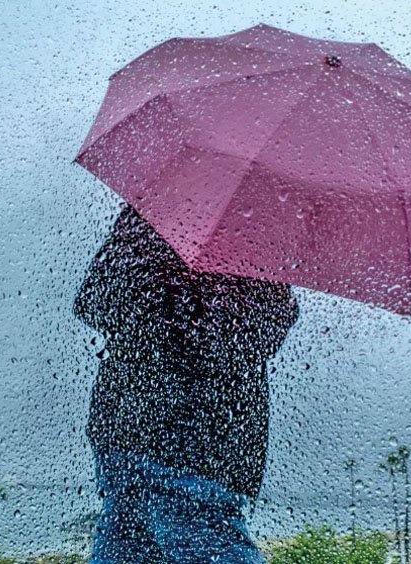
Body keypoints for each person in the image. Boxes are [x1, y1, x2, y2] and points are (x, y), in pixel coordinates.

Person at [73, 202, 299, 564]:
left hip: (121, 426)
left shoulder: (155, 201)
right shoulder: (259, 222)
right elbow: (267, 332)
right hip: (203, 439)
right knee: (206, 536)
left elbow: (92, 302)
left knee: (128, 539)